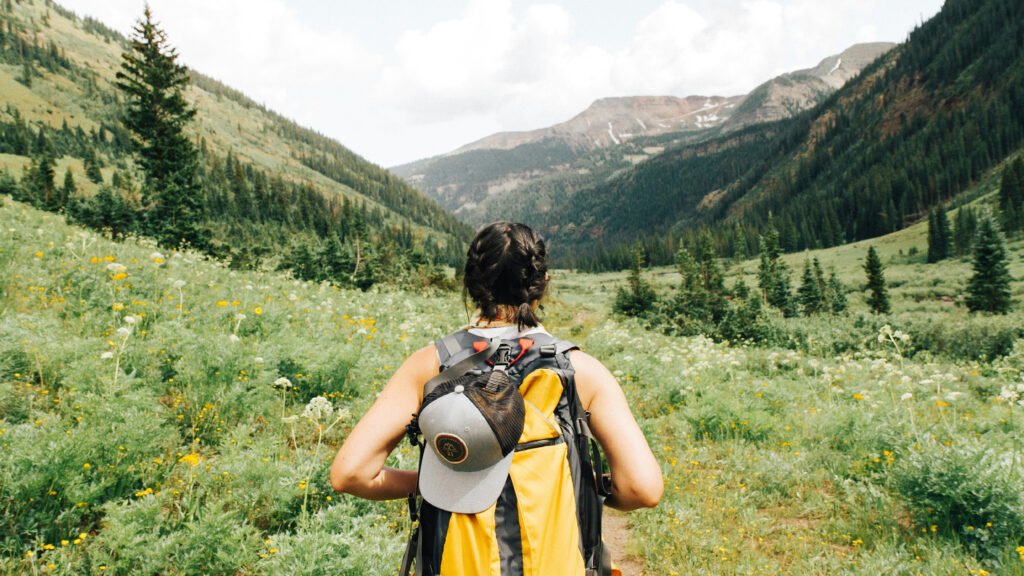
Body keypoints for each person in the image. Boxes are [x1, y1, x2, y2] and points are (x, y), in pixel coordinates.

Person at [331, 221, 662, 574]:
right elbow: (642, 489)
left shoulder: (429, 365)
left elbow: (350, 473)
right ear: (542, 283)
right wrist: (588, 487)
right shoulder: (579, 370)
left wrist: (429, 479)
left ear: (472, 283)